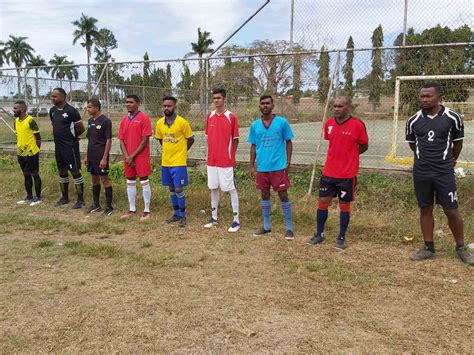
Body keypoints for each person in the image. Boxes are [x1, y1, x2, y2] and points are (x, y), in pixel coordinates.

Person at [406, 82, 473, 265]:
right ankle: (429, 247)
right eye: (422, 96)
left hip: (444, 171)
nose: (424, 99)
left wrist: (451, 161)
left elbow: (457, 143)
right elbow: (413, 145)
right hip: (421, 171)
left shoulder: (453, 117)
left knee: (451, 210)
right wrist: (424, 158)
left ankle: (461, 247)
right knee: (425, 208)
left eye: (428, 96)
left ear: (439, 97)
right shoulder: (413, 120)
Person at [307, 96, 369, 250]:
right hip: (329, 172)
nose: (336, 109)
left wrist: (350, 156)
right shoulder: (328, 124)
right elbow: (332, 142)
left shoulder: (358, 125)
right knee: (322, 202)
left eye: (340, 106)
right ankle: (319, 234)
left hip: (347, 175)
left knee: (344, 205)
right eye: (334, 106)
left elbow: (364, 145)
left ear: (348, 107)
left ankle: (341, 238)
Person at [248, 95, 294, 240]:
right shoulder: (255, 125)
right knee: (264, 194)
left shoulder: (282, 122)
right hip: (262, 168)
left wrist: (288, 161)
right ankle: (267, 226)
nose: (265, 106)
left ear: (273, 105)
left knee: (283, 195)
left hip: (278, 167)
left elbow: (288, 142)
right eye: (262, 103)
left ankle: (289, 228)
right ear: (259, 106)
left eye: (268, 103)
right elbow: (253, 146)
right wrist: (251, 166)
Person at [204, 87, 240, 232]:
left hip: (226, 161)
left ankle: (236, 221)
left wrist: (229, 154)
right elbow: (208, 138)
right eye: (214, 98)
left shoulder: (231, 117)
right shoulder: (210, 116)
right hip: (212, 161)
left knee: (230, 188)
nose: (216, 101)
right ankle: (214, 218)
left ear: (224, 99)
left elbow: (235, 140)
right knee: (213, 188)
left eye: (219, 98)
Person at [155, 96, 194, 227]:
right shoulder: (160, 123)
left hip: (178, 162)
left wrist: (182, 151)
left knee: (178, 188)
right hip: (166, 162)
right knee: (171, 188)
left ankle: (183, 215)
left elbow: (191, 139)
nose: (166, 108)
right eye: (164, 106)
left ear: (174, 107)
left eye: (169, 106)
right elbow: (160, 139)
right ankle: (176, 213)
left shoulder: (182, 122)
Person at [118, 95, 153, 221]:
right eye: (127, 102)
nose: (128, 104)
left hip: (141, 156)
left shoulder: (144, 118)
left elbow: (144, 141)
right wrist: (127, 156)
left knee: (144, 181)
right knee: (130, 181)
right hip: (128, 157)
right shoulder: (123, 120)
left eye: (131, 102)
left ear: (138, 103)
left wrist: (132, 156)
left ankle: (146, 211)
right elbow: (121, 139)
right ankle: (132, 209)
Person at [50, 87, 85, 208]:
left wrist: (72, 138)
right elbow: (54, 125)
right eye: (52, 96)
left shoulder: (71, 111)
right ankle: (64, 197)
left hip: (70, 147)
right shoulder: (52, 110)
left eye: (55, 96)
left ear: (63, 97)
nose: (52, 98)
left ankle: (80, 200)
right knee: (62, 171)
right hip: (58, 147)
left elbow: (80, 128)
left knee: (75, 171)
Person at [84, 99, 113, 216]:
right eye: (87, 107)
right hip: (91, 156)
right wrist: (86, 156)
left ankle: (109, 207)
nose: (87, 109)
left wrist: (104, 158)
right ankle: (96, 204)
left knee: (104, 179)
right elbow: (90, 140)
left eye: (90, 107)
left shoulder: (106, 121)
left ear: (97, 108)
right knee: (94, 179)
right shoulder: (90, 121)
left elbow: (109, 140)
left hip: (101, 156)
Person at [13, 100, 42, 206]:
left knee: (35, 174)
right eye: (14, 108)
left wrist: (36, 150)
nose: (13, 110)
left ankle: (38, 198)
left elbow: (38, 138)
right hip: (21, 153)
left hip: (31, 153)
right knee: (26, 175)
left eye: (16, 108)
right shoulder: (16, 121)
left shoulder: (30, 121)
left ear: (23, 109)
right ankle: (29, 196)